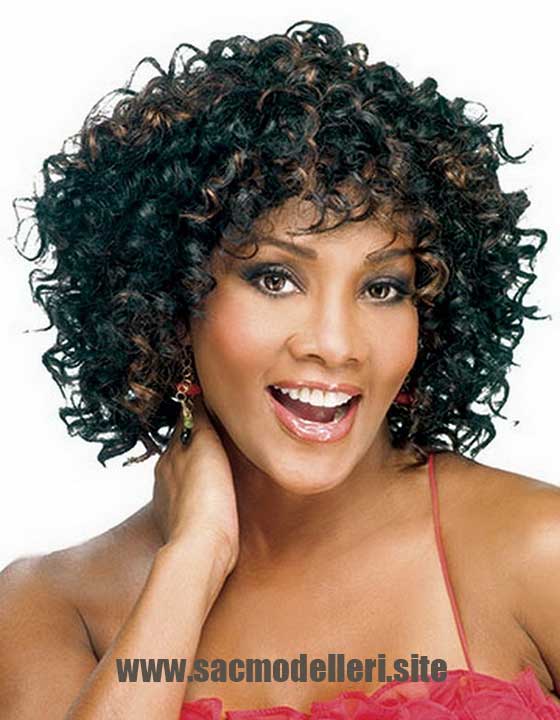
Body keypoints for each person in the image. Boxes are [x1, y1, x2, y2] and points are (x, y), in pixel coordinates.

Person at [1, 19, 559, 720]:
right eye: (274, 278)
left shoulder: (536, 552)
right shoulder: (52, 607)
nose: (337, 344)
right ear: (168, 300)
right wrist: (194, 557)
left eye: (382, 288)